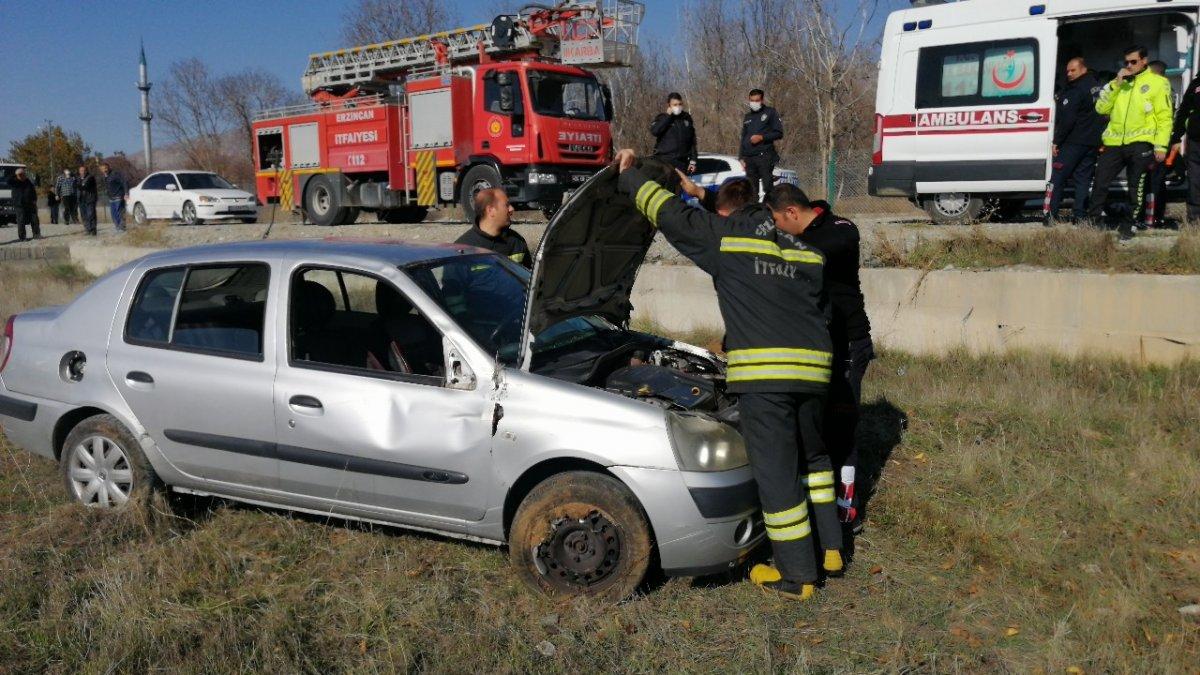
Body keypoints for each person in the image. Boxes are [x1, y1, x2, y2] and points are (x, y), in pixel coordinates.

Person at [615, 148, 841, 601]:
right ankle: (832, 550)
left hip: (767, 380)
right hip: (815, 376)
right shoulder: (805, 250)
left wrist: (628, 178)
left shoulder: (727, 240)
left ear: (725, 212)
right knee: (814, 463)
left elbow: (670, 215)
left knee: (777, 476)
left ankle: (798, 576)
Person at [680, 172, 873, 531]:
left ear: (791, 213)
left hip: (847, 345)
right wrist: (703, 196)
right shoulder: (791, 233)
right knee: (810, 430)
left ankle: (846, 508)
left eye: (777, 222)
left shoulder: (840, 231)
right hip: (812, 348)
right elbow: (744, 220)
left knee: (840, 429)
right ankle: (815, 509)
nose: (772, 230)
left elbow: (808, 250)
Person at [1087, 46, 1174, 239]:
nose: (1129, 65)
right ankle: (1093, 222)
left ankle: (1129, 225)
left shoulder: (1158, 83)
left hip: (1141, 142)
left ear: (1144, 61)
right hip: (1114, 142)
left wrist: (1161, 146)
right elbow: (1101, 108)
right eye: (1126, 62)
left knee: (1136, 186)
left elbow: (1165, 117)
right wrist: (1116, 84)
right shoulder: (1118, 83)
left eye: (1133, 62)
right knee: (1100, 181)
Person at [1044, 57, 1106, 226]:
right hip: (1092, 142)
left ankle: (1049, 215)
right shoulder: (1098, 88)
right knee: (1083, 179)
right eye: (1068, 71)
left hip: (1073, 141)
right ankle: (1079, 215)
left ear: (1083, 69)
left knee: (1057, 178)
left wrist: (1057, 141)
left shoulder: (1076, 90)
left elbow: (1068, 120)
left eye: (1073, 70)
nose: (1069, 74)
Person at [454, 188, 531, 268]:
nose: (512, 209)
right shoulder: (461, 250)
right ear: (490, 210)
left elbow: (531, 277)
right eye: (507, 205)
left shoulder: (517, 242)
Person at [739, 88, 784, 200]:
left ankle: (769, 210)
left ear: (762, 100)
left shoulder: (770, 112)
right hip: (749, 158)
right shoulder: (747, 117)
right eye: (752, 100)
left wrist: (762, 137)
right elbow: (743, 138)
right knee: (751, 190)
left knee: (767, 187)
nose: (754, 103)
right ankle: (753, 212)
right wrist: (741, 157)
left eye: (757, 100)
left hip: (764, 156)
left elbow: (779, 133)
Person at [1171, 61, 1200, 223]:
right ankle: (1194, 220)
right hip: (1195, 141)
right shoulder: (1196, 83)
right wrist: (1177, 135)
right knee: (1195, 181)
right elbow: (1183, 110)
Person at [1147, 60, 1173, 227]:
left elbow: (1162, 120)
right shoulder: (1166, 90)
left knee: (1155, 182)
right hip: (1157, 142)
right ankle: (1155, 216)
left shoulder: (1161, 90)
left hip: (1157, 143)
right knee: (1157, 182)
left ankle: (1153, 217)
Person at [649, 92, 698, 174]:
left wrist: (693, 161)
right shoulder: (662, 118)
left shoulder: (686, 119)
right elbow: (654, 131)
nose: (678, 107)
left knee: (681, 186)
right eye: (675, 105)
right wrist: (668, 116)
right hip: (664, 161)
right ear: (669, 105)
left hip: (682, 163)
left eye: (680, 104)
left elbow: (692, 142)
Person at [10, 167, 41, 241]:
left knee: (35, 219)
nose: (22, 176)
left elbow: (33, 191)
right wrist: (15, 175)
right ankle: (22, 237)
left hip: (30, 203)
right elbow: (8, 180)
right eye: (20, 175)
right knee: (21, 221)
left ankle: (36, 234)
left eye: (23, 174)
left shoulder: (28, 181)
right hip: (19, 205)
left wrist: (34, 199)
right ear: (17, 175)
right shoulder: (14, 182)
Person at [99, 162, 128, 232]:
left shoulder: (115, 174)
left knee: (119, 213)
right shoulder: (104, 177)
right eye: (103, 169)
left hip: (118, 196)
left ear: (108, 167)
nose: (105, 170)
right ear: (101, 170)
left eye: (106, 168)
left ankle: (122, 227)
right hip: (111, 198)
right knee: (113, 214)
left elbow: (124, 182)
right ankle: (117, 227)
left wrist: (126, 193)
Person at [77, 164, 98, 236]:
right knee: (84, 215)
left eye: (83, 170)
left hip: (90, 199)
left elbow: (86, 187)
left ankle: (93, 230)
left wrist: (78, 185)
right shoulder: (78, 179)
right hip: (81, 199)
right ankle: (87, 229)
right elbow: (75, 186)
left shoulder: (90, 178)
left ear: (86, 171)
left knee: (91, 214)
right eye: (80, 171)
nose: (82, 172)